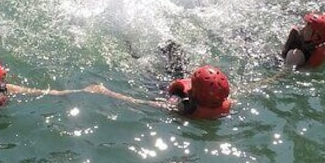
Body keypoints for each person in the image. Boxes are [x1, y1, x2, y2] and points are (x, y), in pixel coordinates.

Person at [85, 65, 233, 119]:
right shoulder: (178, 101)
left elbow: (142, 103)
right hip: (164, 85)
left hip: (175, 78)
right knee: (145, 66)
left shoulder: (181, 106)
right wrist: (107, 92)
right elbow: (146, 103)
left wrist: (106, 92)